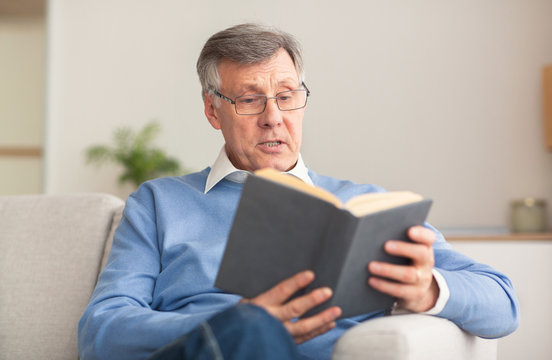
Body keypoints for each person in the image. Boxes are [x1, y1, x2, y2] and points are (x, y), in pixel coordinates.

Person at [78, 23, 519, 360]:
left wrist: (427, 290)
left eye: (287, 96)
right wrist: (236, 320)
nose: (274, 117)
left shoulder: (361, 206)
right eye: (250, 100)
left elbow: (503, 304)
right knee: (250, 329)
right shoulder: (159, 203)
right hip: (206, 351)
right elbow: (101, 328)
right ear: (213, 111)